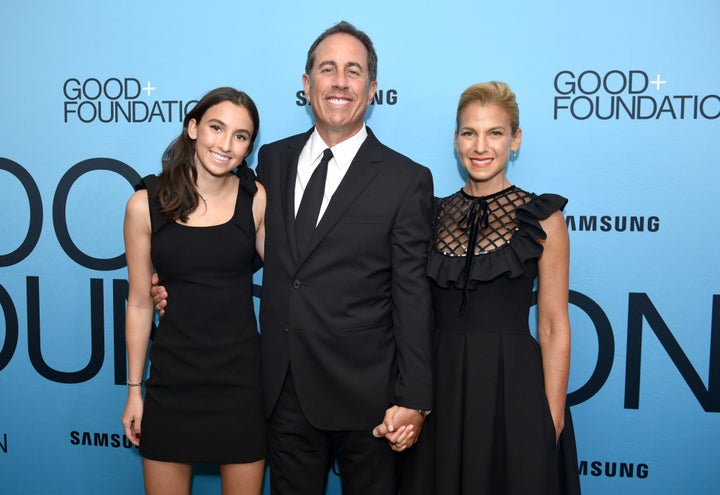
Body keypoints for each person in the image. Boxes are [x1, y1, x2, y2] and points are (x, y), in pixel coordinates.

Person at [152, 21, 434, 495]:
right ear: (307, 85)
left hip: (369, 400)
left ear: (372, 90)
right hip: (283, 393)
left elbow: (413, 294)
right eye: (327, 69)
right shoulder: (271, 163)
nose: (340, 81)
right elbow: (230, 244)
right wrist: (172, 283)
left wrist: (415, 398)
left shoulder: (407, 179)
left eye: (353, 71)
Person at [402, 81, 582, 494]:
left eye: (495, 133)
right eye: (470, 132)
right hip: (440, 391)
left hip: (512, 389)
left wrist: (552, 416)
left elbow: (553, 324)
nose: (480, 146)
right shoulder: (429, 215)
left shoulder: (544, 219)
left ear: (515, 141)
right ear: (456, 140)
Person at [121, 87, 267, 495]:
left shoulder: (256, 201)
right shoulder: (145, 204)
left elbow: (293, 280)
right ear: (192, 128)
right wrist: (135, 391)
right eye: (216, 128)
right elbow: (137, 302)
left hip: (241, 385)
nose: (225, 144)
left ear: (249, 148)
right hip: (173, 382)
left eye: (240, 136)